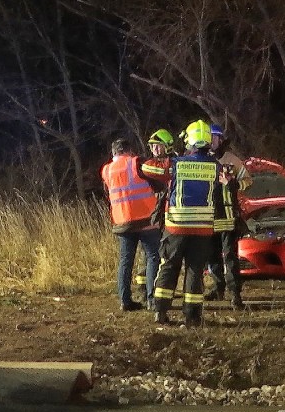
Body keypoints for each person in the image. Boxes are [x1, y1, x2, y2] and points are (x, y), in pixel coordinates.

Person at [150, 119, 222, 327]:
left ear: (189, 141)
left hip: (177, 226)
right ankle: (192, 316)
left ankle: (160, 312)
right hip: (203, 228)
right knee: (195, 270)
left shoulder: (177, 164)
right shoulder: (215, 166)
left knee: (169, 267)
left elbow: (149, 169)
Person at [101, 138, 160, 311]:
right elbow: (156, 184)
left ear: (114, 152)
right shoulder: (137, 163)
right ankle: (151, 299)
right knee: (153, 257)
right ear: (129, 150)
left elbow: (107, 193)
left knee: (126, 261)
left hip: (122, 221)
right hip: (145, 219)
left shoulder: (107, 170)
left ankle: (125, 300)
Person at [205, 123, 249, 309]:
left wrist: (235, 184)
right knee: (212, 256)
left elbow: (248, 180)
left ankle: (235, 294)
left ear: (220, 139)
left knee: (230, 256)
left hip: (229, 216)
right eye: (209, 138)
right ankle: (218, 287)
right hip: (210, 216)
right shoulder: (203, 160)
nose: (211, 141)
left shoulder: (232, 159)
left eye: (213, 138)